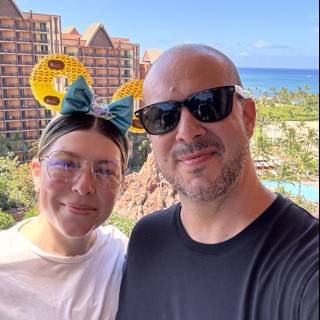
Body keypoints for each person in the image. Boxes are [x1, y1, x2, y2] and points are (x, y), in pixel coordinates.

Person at [116, 44, 319, 320]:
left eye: (208, 105)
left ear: (247, 117)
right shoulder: (147, 241)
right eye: (162, 116)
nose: (187, 133)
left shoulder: (307, 265)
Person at [0, 76, 133, 320]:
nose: (84, 187)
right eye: (66, 164)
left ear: (121, 185)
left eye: (105, 170)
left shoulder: (124, 256)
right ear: (36, 173)